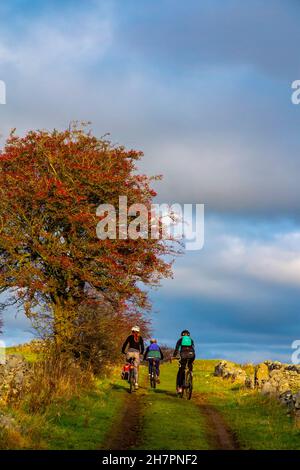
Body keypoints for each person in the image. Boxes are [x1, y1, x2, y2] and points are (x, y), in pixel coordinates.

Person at [121, 325, 144, 390]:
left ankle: (126, 374)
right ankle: (136, 383)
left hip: (130, 353)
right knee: (136, 368)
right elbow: (142, 346)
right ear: (138, 332)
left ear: (132, 331)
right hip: (136, 353)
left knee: (127, 363)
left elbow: (125, 344)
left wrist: (123, 350)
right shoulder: (140, 338)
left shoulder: (129, 337)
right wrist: (141, 352)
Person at [173, 329, 195, 394]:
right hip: (192, 355)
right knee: (190, 364)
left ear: (181, 335)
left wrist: (174, 356)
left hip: (183, 355)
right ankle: (190, 374)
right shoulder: (191, 340)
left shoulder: (180, 340)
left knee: (181, 370)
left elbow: (177, 348)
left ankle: (179, 387)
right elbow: (193, 348)